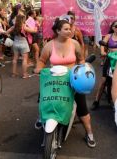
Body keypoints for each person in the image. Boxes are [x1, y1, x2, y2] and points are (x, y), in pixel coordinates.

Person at [34, 18, 96, 148]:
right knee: (44, 96)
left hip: (73, 80)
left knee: (82, 106)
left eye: (70, 29)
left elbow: (81, 60)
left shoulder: (75, 44)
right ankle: (41, 117)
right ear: (58, 31)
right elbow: (41, 60)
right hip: (54, 80)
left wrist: (83, 70)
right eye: (66, 29)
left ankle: (89, 133)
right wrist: (38, 69)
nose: (69, 31)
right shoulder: (49, 45)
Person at [6, 14, 35, 78]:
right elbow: (33, 31)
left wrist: (10, 37)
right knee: (24, 59)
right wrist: (36, 26)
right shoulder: (24, 26)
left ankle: (13, 73)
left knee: (15, 59)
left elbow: (6, 32)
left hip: (15, 43)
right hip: (23, 43)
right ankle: (25, 74)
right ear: (22, 19)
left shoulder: (14, 26)